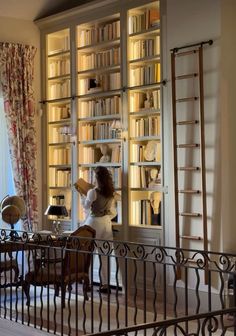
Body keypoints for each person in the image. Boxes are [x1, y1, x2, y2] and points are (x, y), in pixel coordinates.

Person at [79, 166, 116, 293]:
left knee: (89, 254)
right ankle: (105, 285)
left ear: (98, 178)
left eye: (95, 177)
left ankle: (87, 283)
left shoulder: (93, 192)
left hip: (94, 223)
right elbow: (113, 211)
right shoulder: (111, 192)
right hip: (107, 223)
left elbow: (86, 206)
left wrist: (81, 195)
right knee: (105, 254)